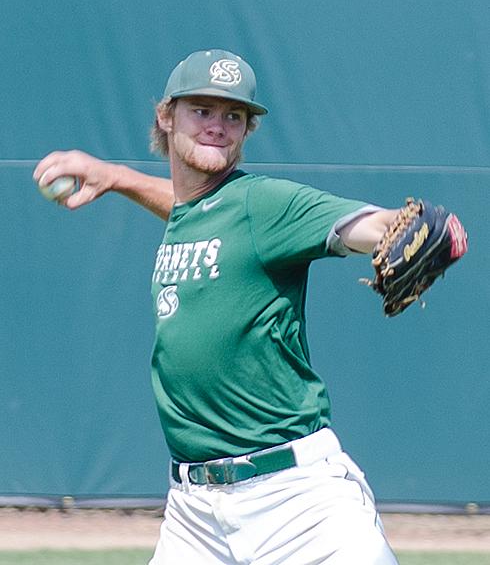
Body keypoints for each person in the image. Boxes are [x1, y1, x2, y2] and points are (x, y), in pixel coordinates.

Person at [34, 49, 401, 564]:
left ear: (248, 129)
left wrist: (399, 229)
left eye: (234, 115)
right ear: (166, 116)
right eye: (201, 110)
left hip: (299, 504)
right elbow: (188, 207)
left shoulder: (263, 204)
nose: (218, 126)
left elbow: (368, 227)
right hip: (194, 515)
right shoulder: (197, 212)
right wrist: (117, 177)